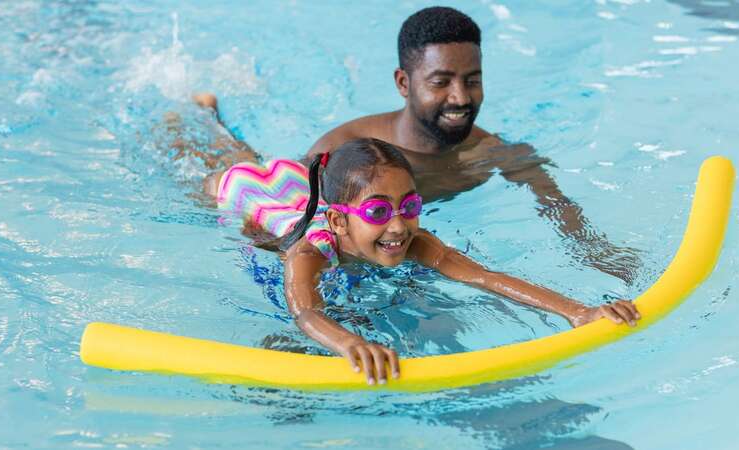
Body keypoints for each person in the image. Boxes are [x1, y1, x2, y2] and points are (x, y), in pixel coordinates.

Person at [198, 6, 640, 284]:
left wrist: (597, 254)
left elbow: (558, 207)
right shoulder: (347, 148)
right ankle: (203, 119)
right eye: (441, 82)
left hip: (392, 237)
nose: (461, 98)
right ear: (403, 83)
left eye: (472, 80)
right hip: (275, 190)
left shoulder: (498, 154)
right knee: (233, 164)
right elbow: (298, 212)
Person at [206, 137, 640, 386]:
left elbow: (486, 278)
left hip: (301, 186)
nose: (398, 226)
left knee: (247, 151)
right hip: (251, 198)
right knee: (218, 160)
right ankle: (194, 123)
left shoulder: (412, 239)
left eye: (409, 205)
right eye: (378, 212)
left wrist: (579, 311)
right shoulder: (308, 253)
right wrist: (351, 343)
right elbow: (305, 312)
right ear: (337, 220)